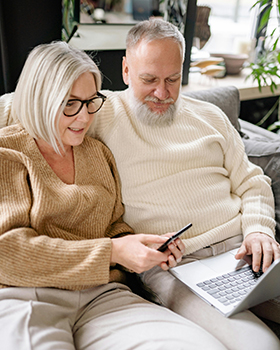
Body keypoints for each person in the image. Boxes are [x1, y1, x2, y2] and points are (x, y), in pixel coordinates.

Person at [0, 41, 231, 350]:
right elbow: (8, 253)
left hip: (104, 295)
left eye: (90, 101)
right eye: (70, 104)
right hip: (29, 294)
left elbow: (113, 227)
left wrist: (146, 247)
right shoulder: (9, 153)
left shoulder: (96, 153)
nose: (84, 118)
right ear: (39, 98)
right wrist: (112, 252)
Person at [85, 19, 280, 349]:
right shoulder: (97, 112)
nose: (162, 93)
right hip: (177, 267)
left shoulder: (210, 116)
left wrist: (259, 229)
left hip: (243, 251)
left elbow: (252, 181)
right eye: (149, 80)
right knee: (260, 344)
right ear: (126, 69)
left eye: (172, 80)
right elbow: (23, 105)